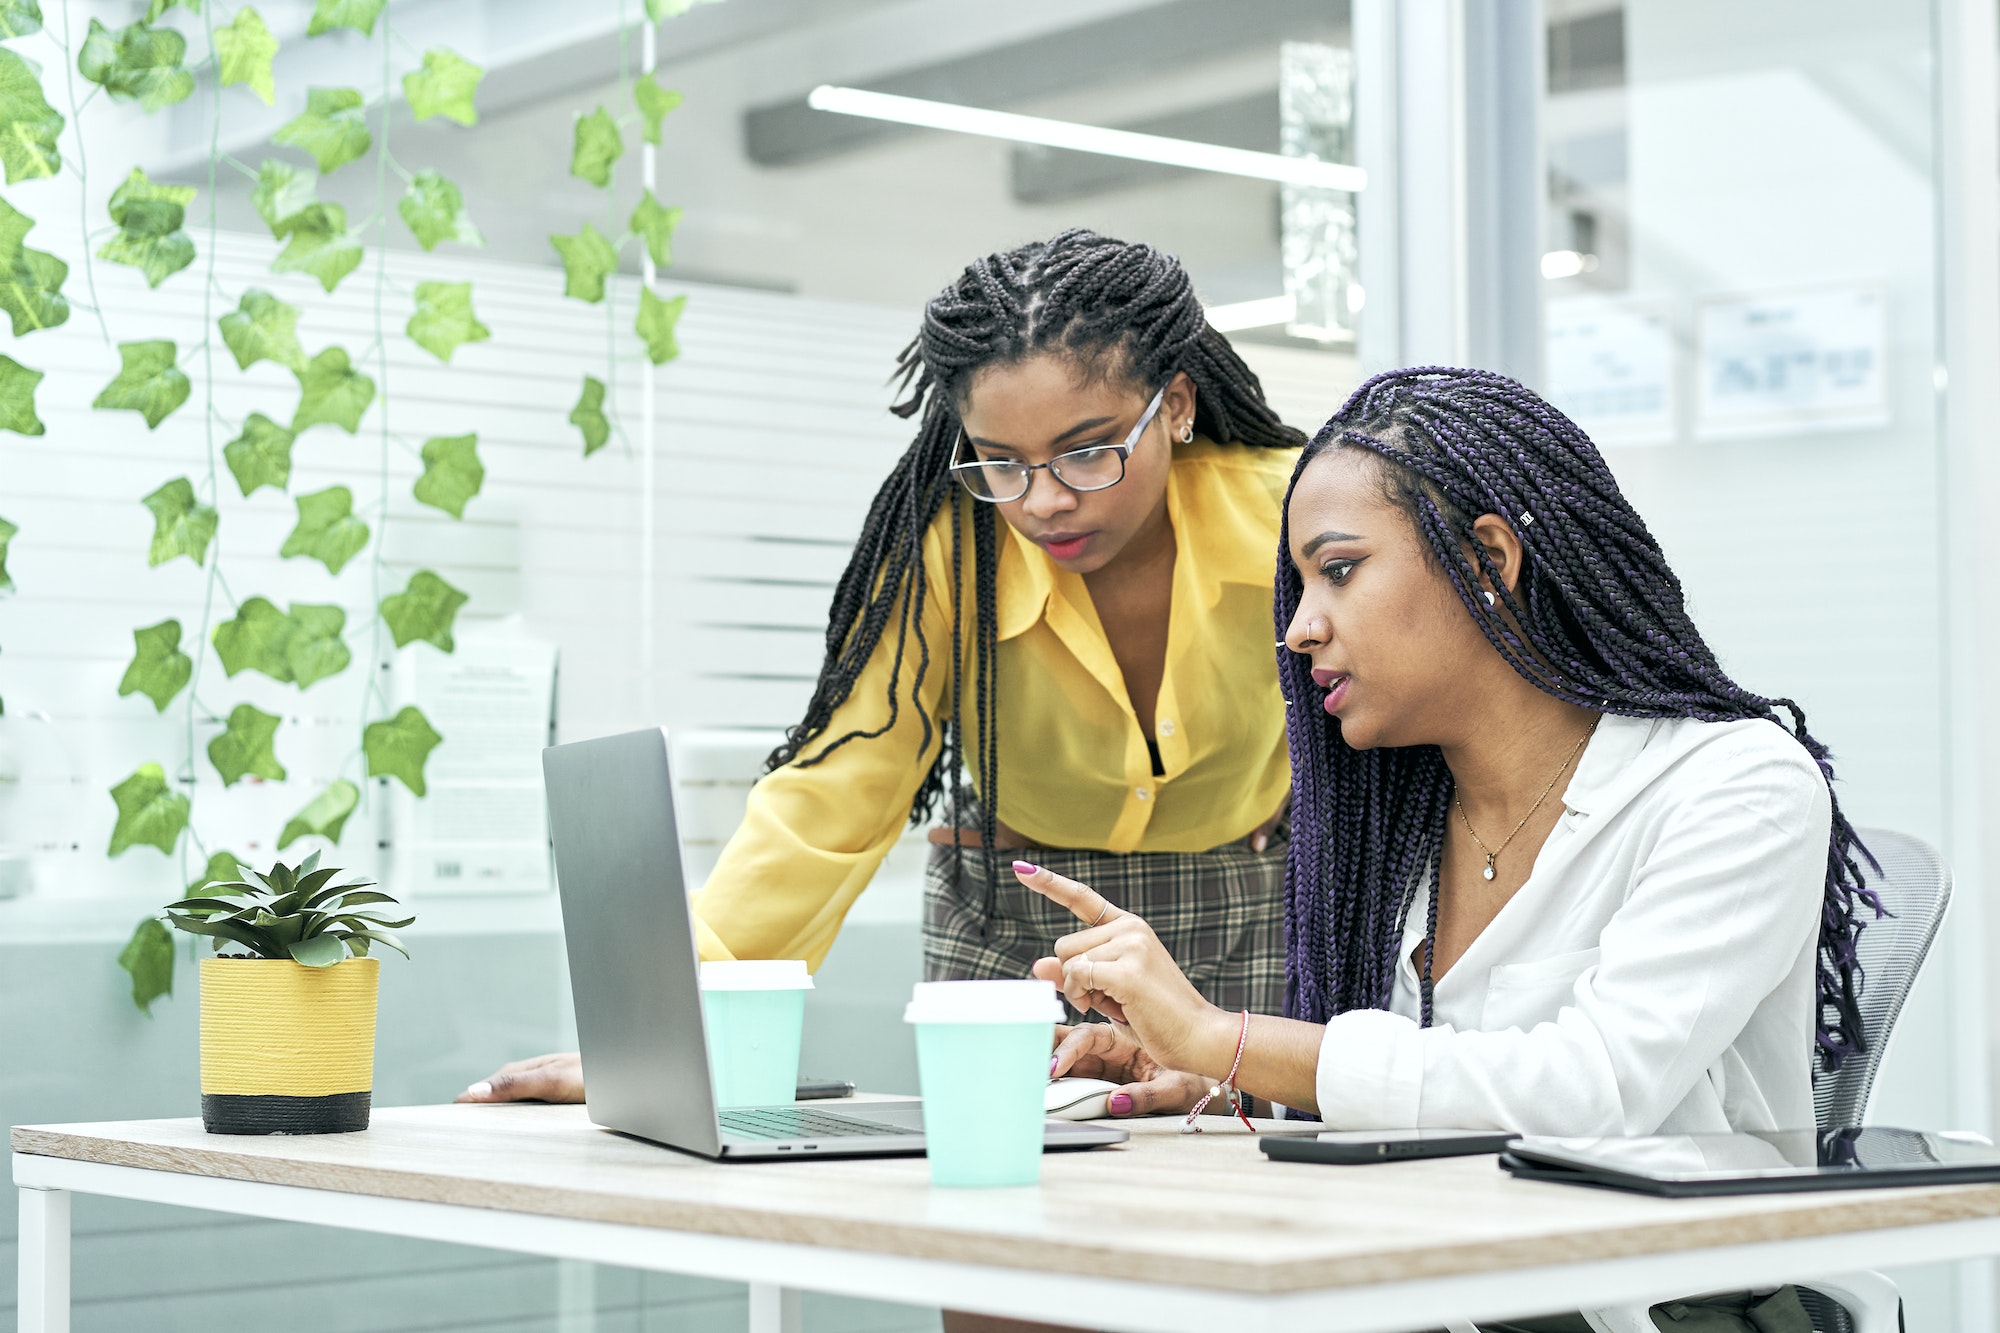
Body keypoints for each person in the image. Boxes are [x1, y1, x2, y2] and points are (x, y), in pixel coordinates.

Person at [1028, 366, 1873, 1333]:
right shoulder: (1395, 824)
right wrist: (1225, 1092)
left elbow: (1587, 1093)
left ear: (1488, 557)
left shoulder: (1734, 785)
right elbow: (1427, 1107)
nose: (1301, 628)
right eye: (1300, 585)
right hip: (1432, 1297)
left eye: (1338, 569)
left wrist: (1232, 1039)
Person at [461, 229, 1305, 1109]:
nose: (1044, 500)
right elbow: (837, 792)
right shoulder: (952, 549)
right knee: (1008, 1208)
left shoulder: (1292, 516)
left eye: (1089, 451)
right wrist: (670, 1026)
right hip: (1016, 921)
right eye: (1001, 463)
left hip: (1249, 904)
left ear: (1175, 404)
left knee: (1244, 1202)